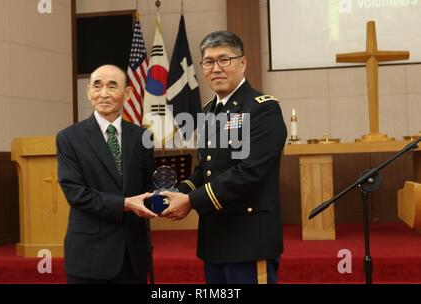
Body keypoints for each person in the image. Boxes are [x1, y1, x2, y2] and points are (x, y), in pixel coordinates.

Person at [161, 31, 287, 284]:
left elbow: (249, 171)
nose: (215, 68)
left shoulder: (263, 108)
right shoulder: (209, 111)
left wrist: (191, 201)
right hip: (215, 238)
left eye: (224, 60)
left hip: (249, 240)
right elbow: (206, 169)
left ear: (243, 63)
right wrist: (177, 192)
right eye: (208, 61)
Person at [56, 64, 157, 284]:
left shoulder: (142, 137)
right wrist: (126, 203)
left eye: (112, 86)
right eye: (97, 86)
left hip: (134, 257)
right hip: (89, 257)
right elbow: (76, 194)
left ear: (128, 93)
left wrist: (163, 198)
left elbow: (149, 187)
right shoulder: (69, 138)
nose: (104, 93)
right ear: (88, 91)